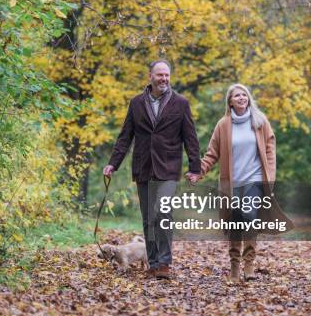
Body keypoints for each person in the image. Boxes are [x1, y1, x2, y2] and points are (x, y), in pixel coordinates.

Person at [103, 60, 201, 280]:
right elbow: (125, 136)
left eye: (167, 75)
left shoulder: (181, 103)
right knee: (149, 218)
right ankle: (154, 262)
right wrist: (113, 163)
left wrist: (196, 167)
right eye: (160, 75)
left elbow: (191, 138)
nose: (164, 79)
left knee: (163, 212)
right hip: (143, 167)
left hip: (168, 168)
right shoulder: (136, 103)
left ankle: (164, 262)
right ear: (150, 76)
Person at [189, 84, 276, 283]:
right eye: (237, 95)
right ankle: (235, 265)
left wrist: (269, 175)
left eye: (244, 94)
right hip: (233, 183)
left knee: (250, 215)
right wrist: (198, 172)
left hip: (254, 180)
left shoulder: (260, 121)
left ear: (248, 98)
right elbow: (212, 153)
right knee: (235, 220)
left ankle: (249, 264)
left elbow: (270, 148)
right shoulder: (223, 125)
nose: (241, 98)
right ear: (230, 101)